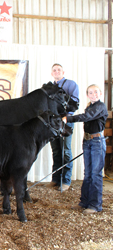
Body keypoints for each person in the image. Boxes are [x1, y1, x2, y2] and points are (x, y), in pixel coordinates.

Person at [63, 84, 108, 214]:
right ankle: (84, 202)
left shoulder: (100, 106)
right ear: (87, 95)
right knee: (87, 174)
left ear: (100, 94)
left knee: (95, 174)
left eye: (95, 92)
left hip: (97, 142)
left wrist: (68, 118)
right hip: (88, 141)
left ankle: (95, 205)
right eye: (90, 92)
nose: (93, 94)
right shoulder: (90, 106)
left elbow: (86, 117)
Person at [47, 63, 80, 191]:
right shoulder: (49, 87)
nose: (56, 72)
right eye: (54, 70)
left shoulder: (71, 84)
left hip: (66, 120)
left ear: (63, 72)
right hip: (53, 121)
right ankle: (55, 179)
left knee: (66, 150)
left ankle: (66, 180)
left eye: (59, 70)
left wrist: (66, 117)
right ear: (51, 73)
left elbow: (75, 102)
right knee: (56, 150)